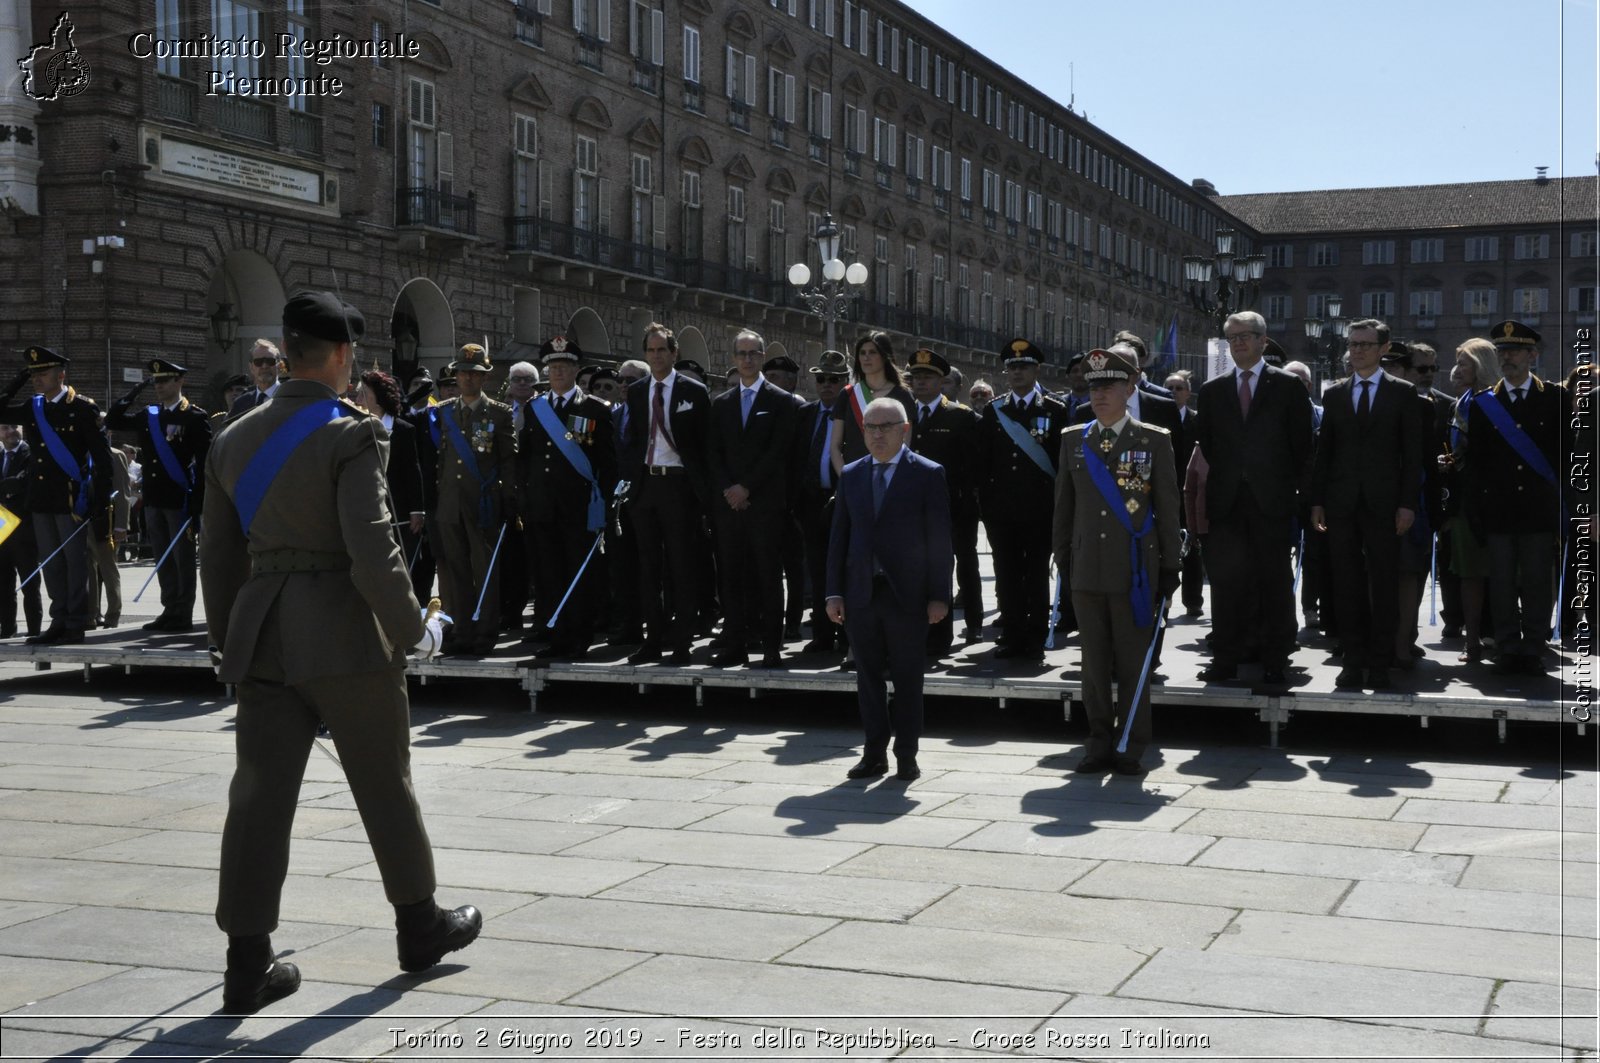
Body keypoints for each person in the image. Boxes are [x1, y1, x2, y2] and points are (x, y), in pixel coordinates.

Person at [202, 290, 480, 1015]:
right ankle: (420, 928)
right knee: (385, 783)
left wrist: (225, 641)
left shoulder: (231, 439)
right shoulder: (351, 432)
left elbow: (217, 558)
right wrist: (416, 626)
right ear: (344, 357)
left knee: (256, 801)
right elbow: (373, 550)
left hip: (262, 634)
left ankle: (246, 964)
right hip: (346, 633)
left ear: (285, 353)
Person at [1052, 347, 1181, 775]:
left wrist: (1169, 567)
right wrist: (1063, 559)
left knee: (1132, 663)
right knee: (1092, 664)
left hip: (1135, 570)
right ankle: (1097, 742)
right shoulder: (1074, 439)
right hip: (1087, 567)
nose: (1100, 394)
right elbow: (1063, 509)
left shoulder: (1153, 439)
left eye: (1109, 386)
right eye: (1093, 386)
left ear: (1131, 388)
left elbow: (1167, 505)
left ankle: (1131, 744)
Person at [826, 398, 952, 782]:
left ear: (905, 430)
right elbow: (839, 537)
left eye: (885, 427)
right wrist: (833, 591)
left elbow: (939, 540)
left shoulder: (928, 473)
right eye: (870, 427)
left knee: (908, 677)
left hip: (907, 595)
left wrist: (940, 596)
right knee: (867, 678)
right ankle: (873, 753)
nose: (877, 435)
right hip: (861, 592)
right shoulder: (852, 473)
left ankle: (906, 755)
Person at [1191, 311, 1314, 687]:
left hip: (1271, 502)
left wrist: (1289, 491)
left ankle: (1275, 659)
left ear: (1263, 341)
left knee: (1274, 583)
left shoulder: (1289, 387)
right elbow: (1208, 444)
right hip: (1227, 502)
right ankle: (1225, 659)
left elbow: (1302, 448)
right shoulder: (1213, 391)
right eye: (1233, 337)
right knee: (1226, 585)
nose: (1239, 342)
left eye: (1246, 336)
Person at [1310, 321, 1424, 690]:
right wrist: (1318, 501)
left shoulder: (1403, 393)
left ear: (1383, 348)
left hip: (1385, 505)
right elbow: (1324, 453)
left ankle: (1380, 661)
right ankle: (1352, 659)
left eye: (1364, 344)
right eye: (1352, 344)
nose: (1356, 350)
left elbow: (1412, 456)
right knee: (1345, 584)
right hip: (1342, 504)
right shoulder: (1336, 394)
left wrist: (1407, 504)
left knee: (1385, 584)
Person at [1465, 320, 1574, 674]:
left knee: (1538, 580)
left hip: (1538, 509)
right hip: (1498, 507)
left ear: (1533, 356)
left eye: (1515, 351)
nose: (1507, 358)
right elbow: (1476, 461)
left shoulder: (1556, 398)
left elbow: (1567, 456)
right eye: (1502, 352)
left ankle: (1534, 644)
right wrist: (1476, 509)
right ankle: (1508, 643)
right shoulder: (1484, 403)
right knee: (1501, 580)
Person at [0, 346, 113, 644]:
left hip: (69, 499)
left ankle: (76, 621)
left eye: (42, 373)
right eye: (34, 373)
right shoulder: (33, 406)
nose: (37, 378)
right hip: (40, 499)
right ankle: (58, 619)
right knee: (51, 563)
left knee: (74, 562)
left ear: (60, 375)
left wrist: (101, 500)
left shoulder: (82, 408)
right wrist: (19, 380)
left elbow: (102, 458)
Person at [619, 323, 711, 665]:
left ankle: (682, 642)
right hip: (646, 487)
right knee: (647, 567)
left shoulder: (694, 391)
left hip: (679, 486)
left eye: (662, 350)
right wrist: (630, 481)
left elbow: (704, 445)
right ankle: (652, 640)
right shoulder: (639, 390)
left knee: (681, 566)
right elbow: (632, 438)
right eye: (651, 350)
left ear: (674, 353)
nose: (657, 356)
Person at [521, 336, 617, 660]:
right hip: (543, 507)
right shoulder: (535, 409)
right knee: (549, 575)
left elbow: (607, 461)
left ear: (576, 370)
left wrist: (605, 504)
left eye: (564, 367)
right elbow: (528, 459)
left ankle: (579, 636)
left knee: (580, 574)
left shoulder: (594, 409)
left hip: (579, 507)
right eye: (553, 367)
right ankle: (557, 635)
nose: (558, 373)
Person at [977, 338, 1073, 659]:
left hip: (1040, 509)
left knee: (1034, 574)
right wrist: (987, 506)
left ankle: (1035, 635)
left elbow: (1062, 462)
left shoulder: (1055, 409)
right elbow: (984, 461)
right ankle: (1013, 632)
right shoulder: (994, 410)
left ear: (1036, 370)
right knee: (1006, 575)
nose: (1017, 373)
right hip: (1002, 511)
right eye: (1012, 367)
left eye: (1023, 367)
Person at [707, 330, 797, 667]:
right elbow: (713, 454)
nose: (747, 359)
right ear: (733, 358)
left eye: (753, 353)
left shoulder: (781, 401)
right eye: (741, 353)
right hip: (729, 506)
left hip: (765, 505)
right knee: (730, 576)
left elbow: (778, 452)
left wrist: (747, 487)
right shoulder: (721, 403)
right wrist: (730, 490)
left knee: (768, 576)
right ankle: (735, 644)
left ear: (762, 357)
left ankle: (772, 646)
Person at [106, 358, 212, 632]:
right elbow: (114, 419)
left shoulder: (194, 417)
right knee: (162, 556)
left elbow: (203, 464)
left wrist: (198, 502)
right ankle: (169, 608)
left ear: (179, 381)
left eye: (164, 380)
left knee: (182, 559)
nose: (159, 386)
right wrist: (134, 391)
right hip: (154, 499)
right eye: (155, 381)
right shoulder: (149, 415)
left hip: (180, 499)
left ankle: (183, 613)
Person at [432, 343, 517, 656]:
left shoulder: (499, 412)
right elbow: (440, 461)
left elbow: (508, 461)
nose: (467, 378)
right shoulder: (443, 412)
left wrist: (508, 499)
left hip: (483, 501)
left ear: (485, 378)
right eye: (463, 373)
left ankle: (485, 629)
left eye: (474, 373)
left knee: (484, 569)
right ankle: (460, 629)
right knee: (455, 571)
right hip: (450, 501)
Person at [905, 348, 983, 652]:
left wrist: (968, 502)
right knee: (926, 568)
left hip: (955, 505)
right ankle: (932, 630)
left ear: (941, 381)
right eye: (916, 377)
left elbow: (973, 464)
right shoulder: (903, 413)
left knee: (964, 563)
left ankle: (974, 623)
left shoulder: (960, 416)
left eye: (928, 377)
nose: (921, 382)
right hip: (915, 508)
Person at [1438, 339, 1493, 662]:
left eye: (1464, 364)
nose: (1456, 370)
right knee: (1469, 572)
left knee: (1499, 574)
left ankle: (1497, 636)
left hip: (1494, 499)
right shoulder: (1460, 403)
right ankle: (1472, 640)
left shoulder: (1495, 400)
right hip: (1464, 500)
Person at [353, 369, 427, 606]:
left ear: (380, 397)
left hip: (400, 514)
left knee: (400, 570)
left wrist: (417, 509)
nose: (357, 400)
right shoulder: (352, 428)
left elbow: (412, 471)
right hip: (367, 512)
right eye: (357, 394)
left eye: (363, 394)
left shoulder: (403, 429)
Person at [795, 350, 849, 656]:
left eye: (834, 379)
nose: (826, 385)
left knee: (843, 567)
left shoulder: (855, 414)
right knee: (816, 570)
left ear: (845, 382)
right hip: (811, 502)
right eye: (821, 379)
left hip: (842, 499)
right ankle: (822, 634)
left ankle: (847, 635)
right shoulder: (805, 414)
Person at [829, 331, 915, 475]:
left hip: (889, 477)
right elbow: (834, 447)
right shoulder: (848, 394)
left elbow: (905, 443)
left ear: (884, 356)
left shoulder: (903, 394)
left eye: (872, 352)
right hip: (854, 477)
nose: (866, 357)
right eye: (862, 353)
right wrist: (845, 477)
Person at [1165, 370, 1204, 619]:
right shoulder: (1159, 418)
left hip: (1191, 492)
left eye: (1179, 388)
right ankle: (1165, 595)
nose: (1173, 392)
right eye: (1169, 388)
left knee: (1193, 548)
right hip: (1166, 491)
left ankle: (1193, 601)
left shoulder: (1197, 420)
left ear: (1188, 393)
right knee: (1166, 546)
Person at [0, 424, 41, 638]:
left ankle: (34, 632)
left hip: (25, 531)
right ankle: (7, 631)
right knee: (4, 586)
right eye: (4, 428)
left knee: (29, 585)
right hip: (2, 531)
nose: (10, 432)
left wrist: (8, 487)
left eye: (14, 427)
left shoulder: (32, 453)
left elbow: (22, 483)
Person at [87, 425, 130, 630]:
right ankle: (91, 614)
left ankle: (113, 614)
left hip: (108, 520)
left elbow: (122, 491)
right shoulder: (81, 452)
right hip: (86, 520)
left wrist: (122, 524)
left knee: (108, 569)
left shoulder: (115, 455)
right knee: (88, 570)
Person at [229, 339, 283, 414]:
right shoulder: (240, 404)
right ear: (251, 367)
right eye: (258, 362)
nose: (264, 366)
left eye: (270, 361)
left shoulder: (290, 398)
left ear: (279, 366)